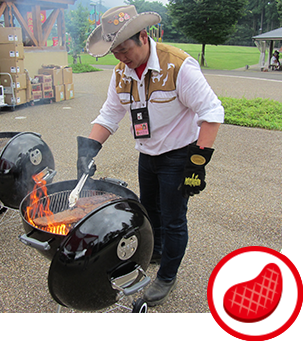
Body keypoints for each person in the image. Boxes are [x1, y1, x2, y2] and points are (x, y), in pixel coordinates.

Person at [78, 5, 225, 307]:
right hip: (147, 154)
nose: (121, 58)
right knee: (150, 212)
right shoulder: (121, 72)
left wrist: (198, 162)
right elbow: (110, 113)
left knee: (173, 219)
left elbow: (212, 112)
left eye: (124, 50)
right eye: (114, 53)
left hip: (178, 156)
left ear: (143, 36)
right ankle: (156, 252)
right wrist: (88, 149)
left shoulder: (178, 65)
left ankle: (168, 275)